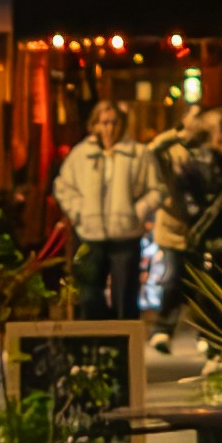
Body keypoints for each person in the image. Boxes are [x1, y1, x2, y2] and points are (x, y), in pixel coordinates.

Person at [55, 76, 151, 314]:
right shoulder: (81, 155)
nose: (109, 128)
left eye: (114, 122)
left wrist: (136, 211)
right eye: (104, 122)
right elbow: (63, 186)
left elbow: (155, 190)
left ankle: (124, 346)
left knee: (125, 298)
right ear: (94, 125)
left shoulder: (139, 154)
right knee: (89, 296)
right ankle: (94, 344)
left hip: (125, 235)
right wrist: (79, 210)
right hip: (90, 234)